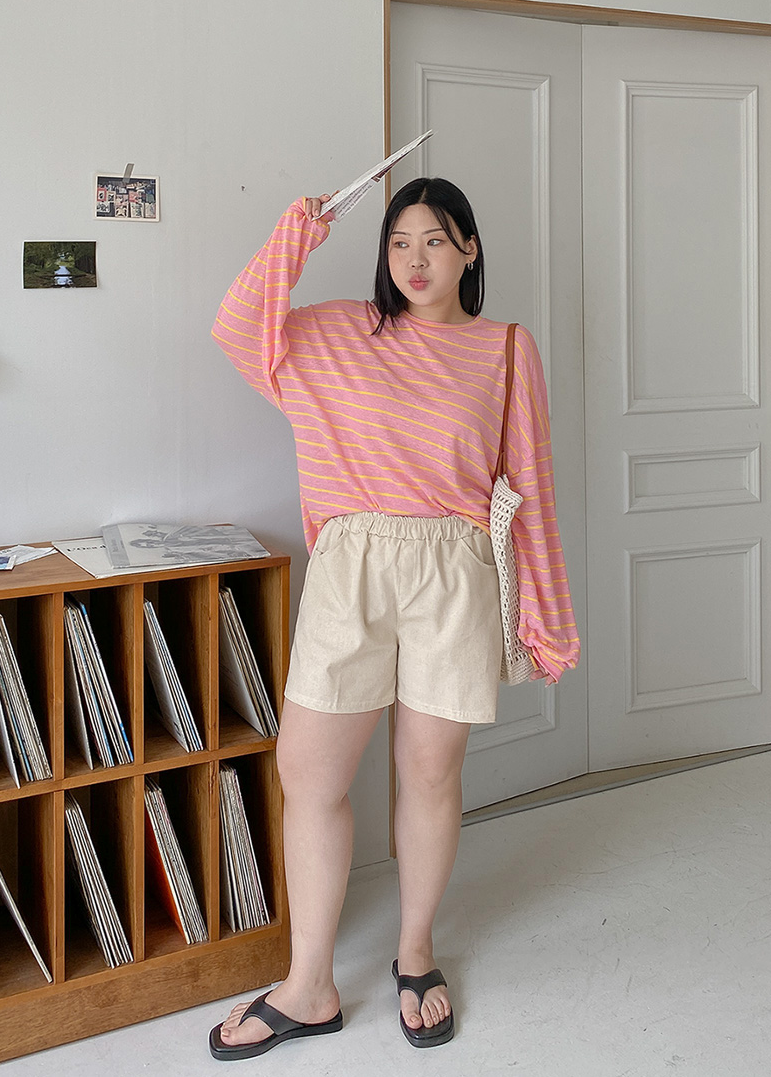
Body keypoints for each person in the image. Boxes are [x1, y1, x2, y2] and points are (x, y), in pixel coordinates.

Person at [208, 177, 579, 1060]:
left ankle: (416, 953)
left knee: (429, 774)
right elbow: (237, 325)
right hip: (352, 569)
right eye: (400, 241)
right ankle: (309, 984)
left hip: (454, 572)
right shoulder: (337, 333)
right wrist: (299, 232)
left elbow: (529, 487)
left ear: (470, 250)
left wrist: (547, 617)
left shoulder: (506, 348)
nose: (416, 259)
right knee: (309, 774)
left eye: (436, 240)